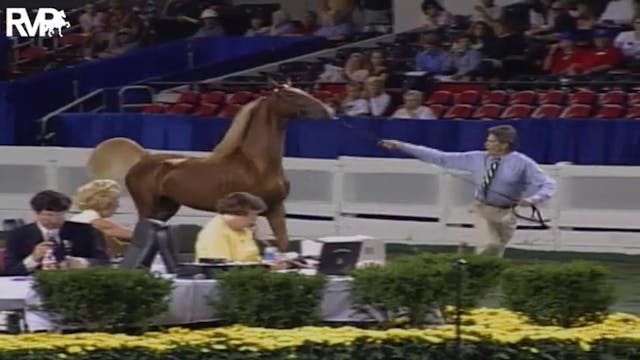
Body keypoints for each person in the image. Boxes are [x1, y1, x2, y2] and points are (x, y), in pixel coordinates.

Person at [379, 125, 556, 257]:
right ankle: (468, 261)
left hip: (508, 213)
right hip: (482, 208)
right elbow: (440, 157)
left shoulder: (523, 163)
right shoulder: (475, 158)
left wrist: (533, 199)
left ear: (505, 144)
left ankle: (468, 262)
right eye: (488, 139)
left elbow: (549, 184)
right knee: (490, 245)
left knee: (494, 253)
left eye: (492, 140)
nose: (486, 143)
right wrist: (401, 145)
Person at [3, 190, 109, 275]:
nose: (55, 220)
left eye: (60, 215)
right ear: (37, 213)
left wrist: (81, 263)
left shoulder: (87, 231)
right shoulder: (17, 235)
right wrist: (33, 259)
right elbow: (10, 270)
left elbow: (105, 263)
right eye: (49, 215)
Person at [194, 192, 267, 262]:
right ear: (240, 213)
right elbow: (223, 268)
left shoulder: (245, 230)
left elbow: (253, 259)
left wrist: (269, 265)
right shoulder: (214, 232)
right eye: (253, 215)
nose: (254, 220)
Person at [70, 179, 133, 258]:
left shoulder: (80, 218)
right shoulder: (95, 221)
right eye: (116, 200)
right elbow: (137, 237)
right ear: (107, 203)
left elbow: (117, 246)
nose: (118, 205)